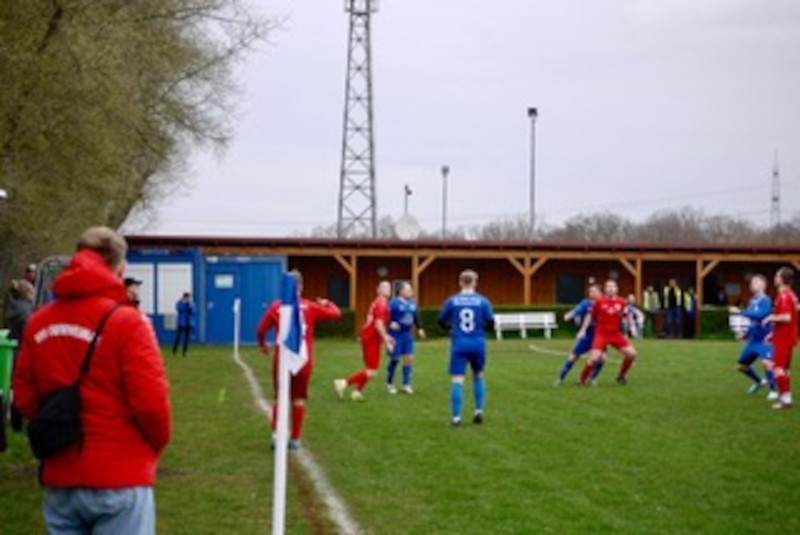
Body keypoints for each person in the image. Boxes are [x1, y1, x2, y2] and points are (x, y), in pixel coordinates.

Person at [12, 226, 170, 534]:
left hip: (62, 474)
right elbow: (151, 403)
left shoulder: (39, 322)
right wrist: (152, 449)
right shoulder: (129, 322)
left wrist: (57, 427)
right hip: (121, 475)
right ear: (120, 268)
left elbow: (25, 396)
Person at [257, 271, 341, 449]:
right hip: (303, 360)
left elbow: (261, 329)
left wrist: (263, 345)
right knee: (298, 399)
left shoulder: (276, 307)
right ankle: (295, 439)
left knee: (281, 398)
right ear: (301, 287)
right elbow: (336, 314)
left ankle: (276, 435)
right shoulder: (309, 306)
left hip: (282, 359)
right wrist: (328, 302)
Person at [437, 270, 495, 426]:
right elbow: (491, 322)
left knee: (457, 379)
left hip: (459, 343)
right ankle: (478, 411)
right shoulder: (483, 301)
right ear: (475, 282)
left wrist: (450, 329)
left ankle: (456, 418)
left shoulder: (452, 300)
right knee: (478, 375)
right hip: (477, 343)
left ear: (460, 282)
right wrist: (481, 330)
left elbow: (441, 320)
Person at [334, 281, 394, 401]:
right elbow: (378, 324)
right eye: (384, 287)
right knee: (372, 371)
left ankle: (357, 392)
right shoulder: (381, 304)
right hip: (371, 339)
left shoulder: (380, 303)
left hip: (370, 338)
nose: (388, 289)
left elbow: (379, 322)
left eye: (389, 287)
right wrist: (386, 339)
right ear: (378, 290)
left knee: (369, 368)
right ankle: (343, 383)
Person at [577, 279, 638, 386]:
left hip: (615, 334)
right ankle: (582, 380)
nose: (610, 289)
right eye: (608, 287)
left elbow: (628, 315)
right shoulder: (599, 301)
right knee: (594, 358)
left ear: (616, 289)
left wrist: (632, 327)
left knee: (632, 354)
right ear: (605, 289)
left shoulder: (621, 301)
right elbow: (590, 316)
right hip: (601, 334)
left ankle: (621, 376)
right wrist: (583, 330)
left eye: (613, 287)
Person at [729, 275, 777, 399]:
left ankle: (773, 391)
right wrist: (745, 334)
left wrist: (741, 311)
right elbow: (753, 321)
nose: (752, 284)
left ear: (763, 285)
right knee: (741, 366)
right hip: (753, 341)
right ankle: (760, 381)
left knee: (767, 363)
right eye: (751, 282)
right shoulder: (752, 301)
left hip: (764, 340)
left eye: (755, 282)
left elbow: (761, 315)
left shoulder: (766, 300)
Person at [763, 267, 798, 410]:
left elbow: (787, 317)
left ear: (782, 279)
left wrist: (771, 317)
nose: (775, 277)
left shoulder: (784, 296)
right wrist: (773, 333)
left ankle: (785, 399)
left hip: (783, 338)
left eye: (777, 275)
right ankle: (786, 396)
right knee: (784, 369)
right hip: (787, 336)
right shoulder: (791, 295)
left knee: (777, 368)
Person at [556, 284, 602, 385]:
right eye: (590, 292)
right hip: (587, 334)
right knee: (574, 356)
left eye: (594, 291)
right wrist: (570, 314)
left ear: (600, 292)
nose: (592, 294)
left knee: (601, 358)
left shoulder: (603, 303)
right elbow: (577, 310)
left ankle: (592, 378)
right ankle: (561, 377)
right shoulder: (586, 303)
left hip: (600, 335)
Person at [5, 279, 35, 432]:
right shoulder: (25, 312)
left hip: (14, 350)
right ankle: (18, 425)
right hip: (21, 352)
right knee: (20, 389)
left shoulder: (13, 307)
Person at [386, 282, 425, 395]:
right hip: (395, 335)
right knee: (395, 359)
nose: (411, 292)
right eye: (408, 290)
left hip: (407, 335)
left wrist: (420, 328)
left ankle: (406, 384)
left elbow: (416, 315)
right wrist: (390, 324)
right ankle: (390, 382)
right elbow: (384, 317)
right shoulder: (393, 303)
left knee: (409, 358)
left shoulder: (413, 303)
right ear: (401, 291)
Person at [173, 292, 194, 356]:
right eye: (187, 297)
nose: (188, 299)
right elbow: (179, 309)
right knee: (178, 337)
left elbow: (192, 311)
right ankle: (175, 350)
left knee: (187, 338)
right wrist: (184, 303)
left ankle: (184, 351)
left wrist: (189, 305)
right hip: (181, 322)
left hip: (188, 322)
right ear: (184, 297)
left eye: (189, 297)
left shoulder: (190, 304)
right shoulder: (180, 303)